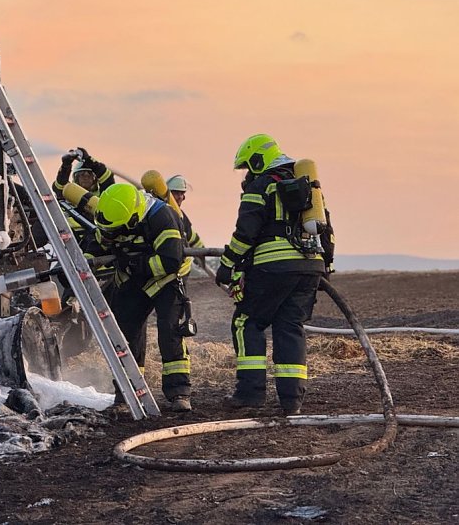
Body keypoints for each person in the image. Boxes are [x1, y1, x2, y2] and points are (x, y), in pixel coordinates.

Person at [214, 134, 331, 416]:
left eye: (248, 167)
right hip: (310, 267)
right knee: (290, 326)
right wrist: (325, 267)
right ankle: (292, 401)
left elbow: (246, 232)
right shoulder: (308, 186)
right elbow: (327, 230)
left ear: (258, 161)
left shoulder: (261, 185)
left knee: (248, 321)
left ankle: (250, 394)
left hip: (273, 267)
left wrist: (227, 265)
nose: (247, 174)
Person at [88, 182, 192, 412]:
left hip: (166, 279)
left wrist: (134, 264)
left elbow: (170, 261)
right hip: (133, 279)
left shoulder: (162, 217)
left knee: (170, 331)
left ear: (134, 219)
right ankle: (127, 393)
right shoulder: (113, 217)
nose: (111, 235)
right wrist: (83, 262)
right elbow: (97, 243)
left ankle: (179, 393)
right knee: (125, 334)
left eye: (115, 231)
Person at [165, 174, 207, 278]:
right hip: (165, 268)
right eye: (176, 193)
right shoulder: (160, 214)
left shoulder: (181, 216)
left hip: (180, 271)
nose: (180, 197)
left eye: (182, 193)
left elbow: (192, 237)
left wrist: (201, 252)